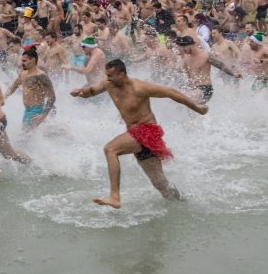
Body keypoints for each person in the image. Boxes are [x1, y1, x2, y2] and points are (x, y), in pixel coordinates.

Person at [70, 59, 207, 208]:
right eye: (106, 75)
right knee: (160, 184)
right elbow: (91, 91)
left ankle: (114, 196)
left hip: (147, 130)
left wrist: (197, 108)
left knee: (110, 149)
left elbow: (171, 93)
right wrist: (80, 93)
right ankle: (183, 204)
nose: (108, 79)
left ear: (122, 74)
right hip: (135, 134)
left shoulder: (139, 88)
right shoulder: (108, 84)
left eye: (111, 76)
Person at [173, 35, 240, 104]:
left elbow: (221, 65)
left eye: (184, 46)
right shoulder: (186, 58)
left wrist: (234, 73)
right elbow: (181, 72)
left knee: (189, 98)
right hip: (194, 89)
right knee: (179, 101)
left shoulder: (205, 55)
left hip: (205, 89)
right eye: (182, 46)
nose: (183, 49)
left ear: (192, 45)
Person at [4, 46, 56, 130]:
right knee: (28, 137)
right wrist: (4, 97)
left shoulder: (41, 76)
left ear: (33, 60)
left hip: (36, 110)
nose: (22, 63)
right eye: (22, 60)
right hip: (27, 110)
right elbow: (14, 85)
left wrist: (43, 115)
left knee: (25, 137)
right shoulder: (23, 73)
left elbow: (52, 97)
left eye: (24, 61)